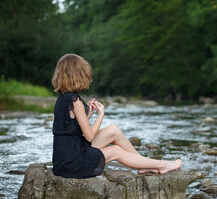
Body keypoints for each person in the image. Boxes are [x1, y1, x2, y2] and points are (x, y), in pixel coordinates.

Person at [51, 53, 182, 179]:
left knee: (113, 130)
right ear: (79, 75)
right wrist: (100, 115)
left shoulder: (63, 98)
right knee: (116, 151)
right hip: (72, 162)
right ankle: (162, 165)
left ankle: (143, 164)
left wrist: (88, 115)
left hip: (65, 156)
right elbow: (89, 136)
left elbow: (69, 127)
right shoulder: (75, 100)